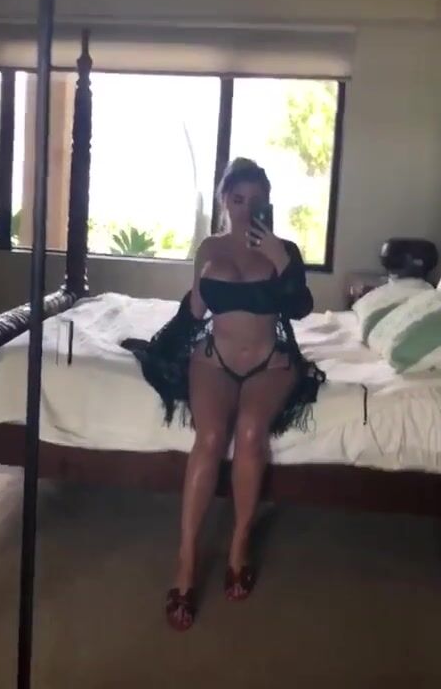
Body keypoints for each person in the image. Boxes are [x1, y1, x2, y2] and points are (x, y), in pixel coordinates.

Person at [122, 157, 325, 631]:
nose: (246, 209)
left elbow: (301, 308)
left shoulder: (284, 249)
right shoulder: (209, 248)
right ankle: (186, 561)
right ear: (224, 201)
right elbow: (196, 307)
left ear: (268, 204)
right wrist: (163, 344)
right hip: (213, 359)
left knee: (251, 432)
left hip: (269, 363)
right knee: (210, 439)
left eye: (256, 201)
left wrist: (279, 259)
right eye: (238, 199)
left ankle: (238, 546)